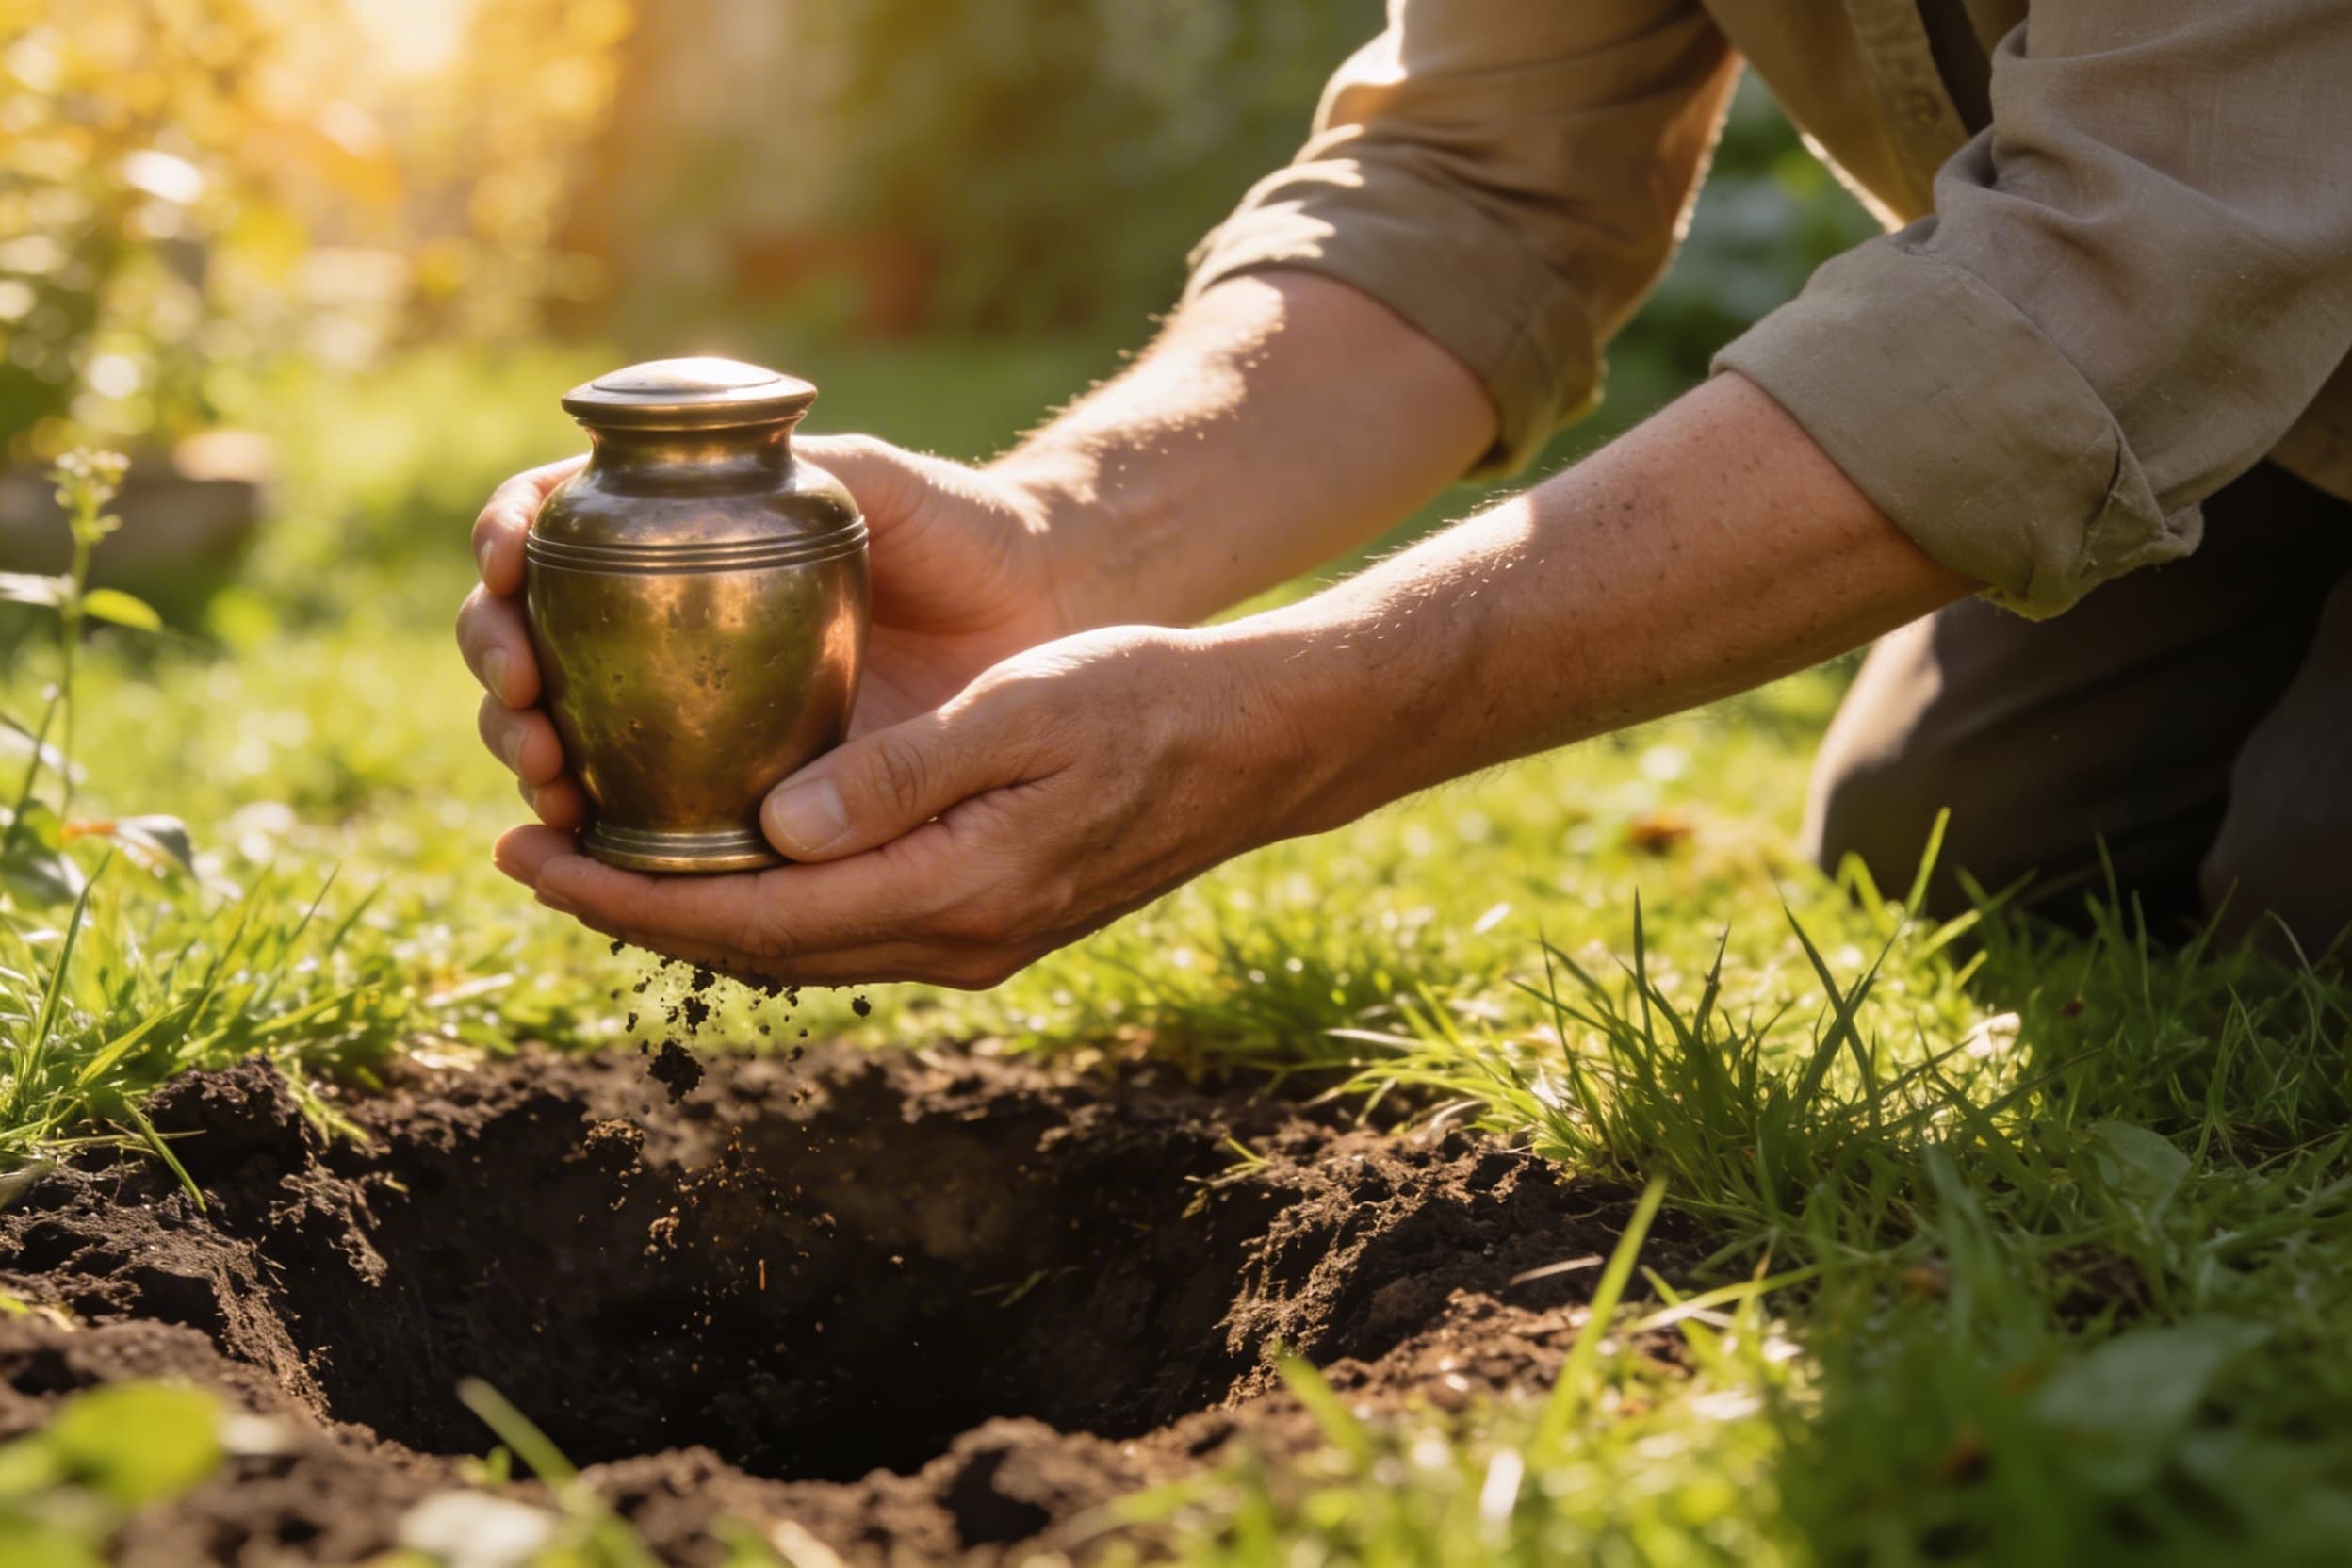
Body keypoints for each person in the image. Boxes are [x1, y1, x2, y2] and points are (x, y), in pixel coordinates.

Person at [457, 0, 2352, 987]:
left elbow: (2126, 272)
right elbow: (1475, 174)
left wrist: (1301, 719)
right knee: (1959, 835)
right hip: (2275, 370)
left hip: (2220, 294)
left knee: (2301, 902)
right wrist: (1057, 545)